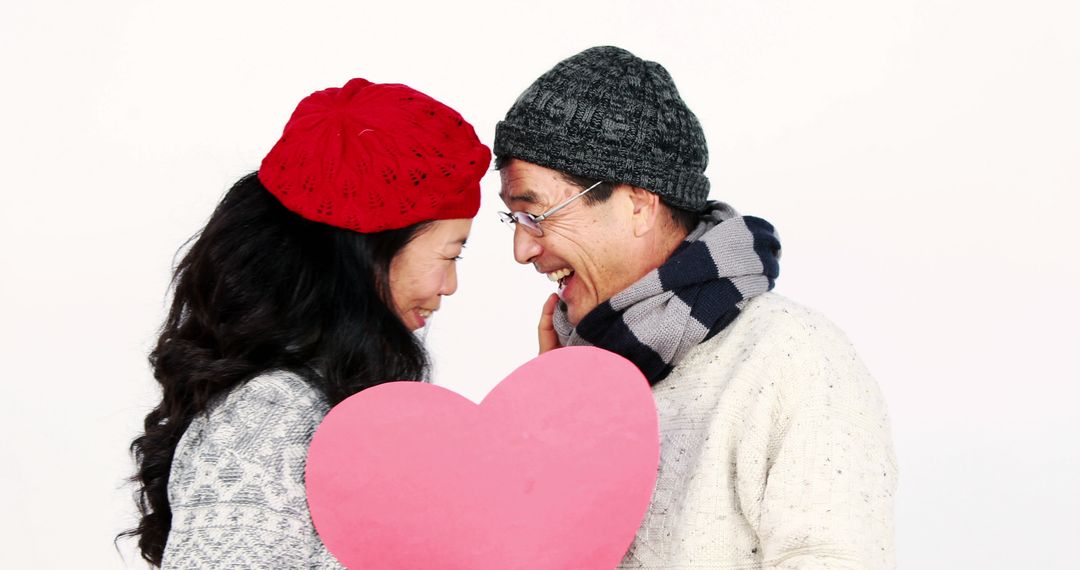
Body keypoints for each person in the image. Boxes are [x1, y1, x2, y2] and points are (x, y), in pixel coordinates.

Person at [494, 46, 898, 569]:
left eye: (536, 215)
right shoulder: (574, 369)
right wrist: (555, 440)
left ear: (638, 202)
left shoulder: (790, 360)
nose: (522, 249)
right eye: (514, 221)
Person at [123, 78, 490, 568]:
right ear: (371, 253)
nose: (450, 285)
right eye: (451, 252)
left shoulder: (326, 402)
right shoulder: (267, 421)